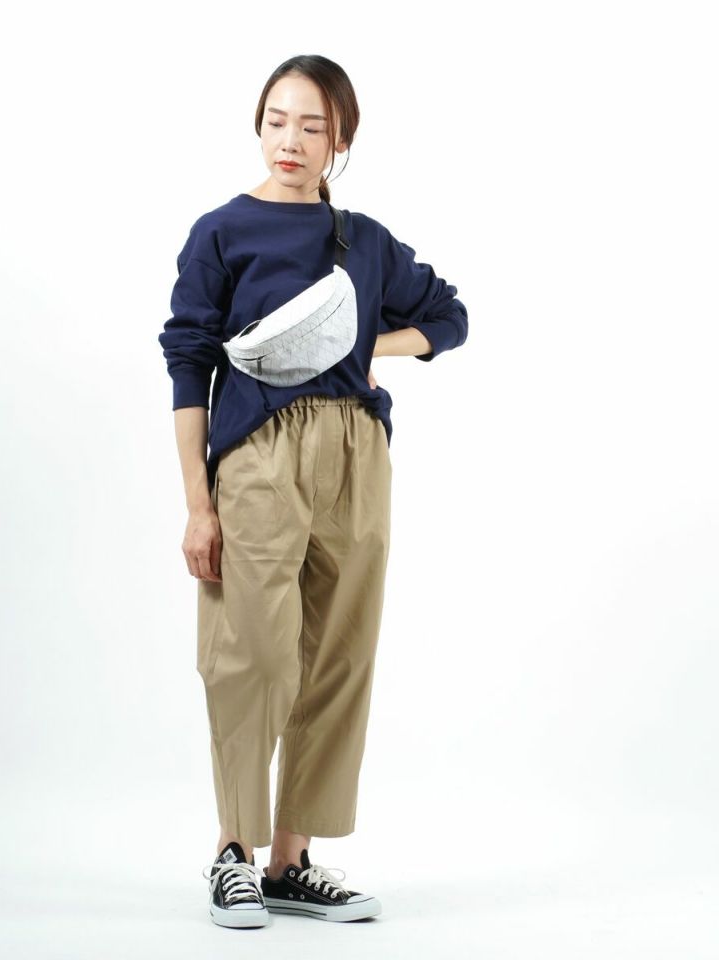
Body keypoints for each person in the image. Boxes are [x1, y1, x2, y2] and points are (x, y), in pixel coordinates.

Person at [158, 54, 468, 928]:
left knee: (338, 656)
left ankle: (291, 862)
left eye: (312, 126)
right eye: (276, 121)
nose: (290, 140)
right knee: (251, 653)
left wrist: (370, 345)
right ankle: (233, 852)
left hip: (356, 454)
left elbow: (449, 317)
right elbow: (187, 363)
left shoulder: (364, 241)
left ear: (341, 140)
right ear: (258, 126)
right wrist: (198, 503)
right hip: (257, 451)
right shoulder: (222, 231)